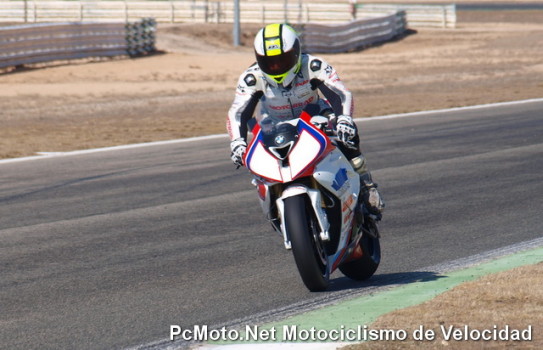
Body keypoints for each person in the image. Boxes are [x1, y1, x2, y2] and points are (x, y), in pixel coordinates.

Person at [226, 23, 384, 215]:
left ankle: (367, 185)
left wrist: (344, 119)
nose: (276, 67)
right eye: (270, 62)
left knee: (346, 134)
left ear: (296, 52)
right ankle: (273, 198)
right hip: (275, 124)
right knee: (257, 157)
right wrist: (237, 142)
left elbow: (340, 93)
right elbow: (238, 112)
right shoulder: (251, 78)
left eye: (283, 60)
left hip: (316, 113)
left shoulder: (313, 65)